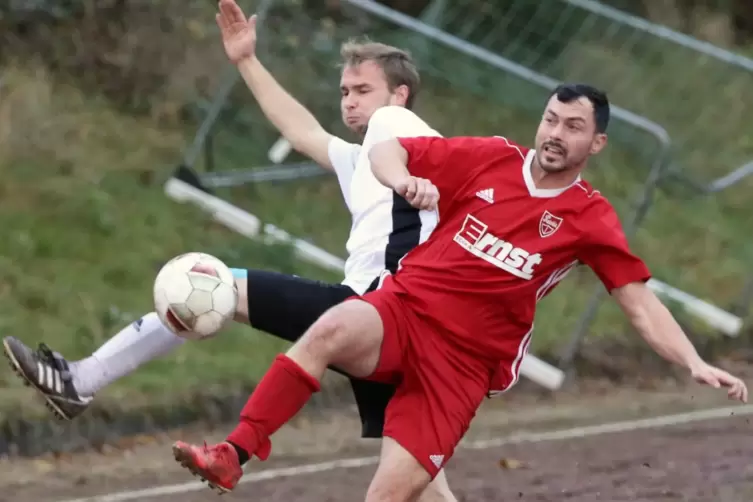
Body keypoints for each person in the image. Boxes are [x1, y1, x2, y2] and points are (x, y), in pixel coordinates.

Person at [170, 83, 749, 500]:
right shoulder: (491, 158)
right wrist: (403, 180)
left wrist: (693, 360)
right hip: (405, 309)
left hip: (464, 365)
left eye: (573, 127)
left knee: (392, 496)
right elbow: (385, 152)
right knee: (329, 328)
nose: (555, 134)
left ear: (595, 144)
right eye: (551, 119)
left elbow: (639, 302)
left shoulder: (590, 218)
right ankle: (232, 454)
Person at [1, 1, 469, 500]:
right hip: (385, 324)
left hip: (381, 310)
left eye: (363, 91)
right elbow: (301, 129)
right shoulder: (362, 159)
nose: (349, 102)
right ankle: (80, 381)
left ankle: (82, 380)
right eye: (344, 92)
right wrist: (246, 59)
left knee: (208, 285)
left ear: (400, 96)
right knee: (420, 487)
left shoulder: (409, 133)